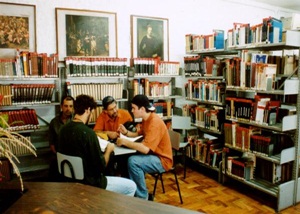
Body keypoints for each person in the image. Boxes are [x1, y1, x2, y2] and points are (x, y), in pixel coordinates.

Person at [58, 94, 136, 196]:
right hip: (91, 183)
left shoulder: (63, 130)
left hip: (69, 180)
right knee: (131, 186)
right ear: (87, 110)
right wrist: (108, 149)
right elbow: (101, 166)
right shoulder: (88, 134)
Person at [116, 94, 173, 200]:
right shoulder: (146, 118)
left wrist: (125, 142)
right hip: (154, 154)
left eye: (133, 108)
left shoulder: (154, 122)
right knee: (125, 159)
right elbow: (139, 134)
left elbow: (145, 149)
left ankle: (142, 197)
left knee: (133, 161)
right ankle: (131, 190)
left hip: (162, 160)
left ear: (142, 109)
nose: (132, 111)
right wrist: (126, 132)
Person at [48, 95, 74, 181]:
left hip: (74, 154)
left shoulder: (76, 121)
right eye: (66, 106)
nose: (68, 109)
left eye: (71, 106)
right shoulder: (54, 122)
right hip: (58, 155)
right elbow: (51, 144)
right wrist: (59, 155)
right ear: (61, 107)